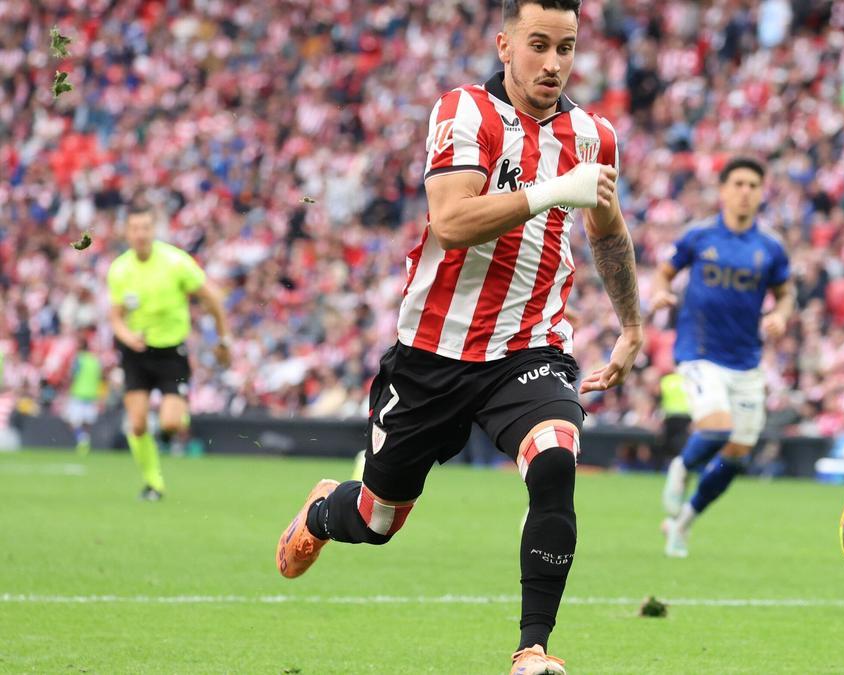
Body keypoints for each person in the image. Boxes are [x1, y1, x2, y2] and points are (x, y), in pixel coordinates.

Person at [273, 2, 643, 672]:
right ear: (504, 45)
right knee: (378, 519)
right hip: (432, 356)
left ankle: (533, 648)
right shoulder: (464, 111)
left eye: (565, 47)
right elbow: (450, 222)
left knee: (555, 460)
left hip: (528, 349)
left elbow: (607, 231)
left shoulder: (594, 136)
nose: (553, 63)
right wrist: (554, 188)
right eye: (538, 45)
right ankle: (324, 512)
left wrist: (632, 324)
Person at [653, 157, 795, 558]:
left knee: (736, 457)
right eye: (738, 184)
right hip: (699, 352)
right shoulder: (699, 236)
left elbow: (786, 292)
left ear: (761, 193)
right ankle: (681, 467)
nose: (745, 191)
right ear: (723, 190)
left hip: (746, 360)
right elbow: (665, 271)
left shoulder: (770, 247)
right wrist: (661, 291)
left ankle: (682, 524)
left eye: (753, 185)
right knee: (716, 429)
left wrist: (781, 315)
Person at [106, 203, 232, 500]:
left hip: (171, 353)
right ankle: (154, 483)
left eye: (145, 227)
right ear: (126, 232)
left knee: (170, 424)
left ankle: (177, 419)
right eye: (135, 228)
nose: (140, 234)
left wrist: (223, 339)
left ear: (154, 230)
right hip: (136, 353)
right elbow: (116, 317)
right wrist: (127, 336)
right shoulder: (120, 269)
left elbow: (212, 298)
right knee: (137, 424)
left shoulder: (175, 262)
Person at [65, 335, 103, 455]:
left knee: (72, 421)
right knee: (87, 422)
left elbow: (72, 375)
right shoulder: (95, 360)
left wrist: (67, 389)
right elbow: (100, 377)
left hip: (78, 393)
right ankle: (84, 443)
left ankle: (82, 439)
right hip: (92, 394)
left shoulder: (78, 359)